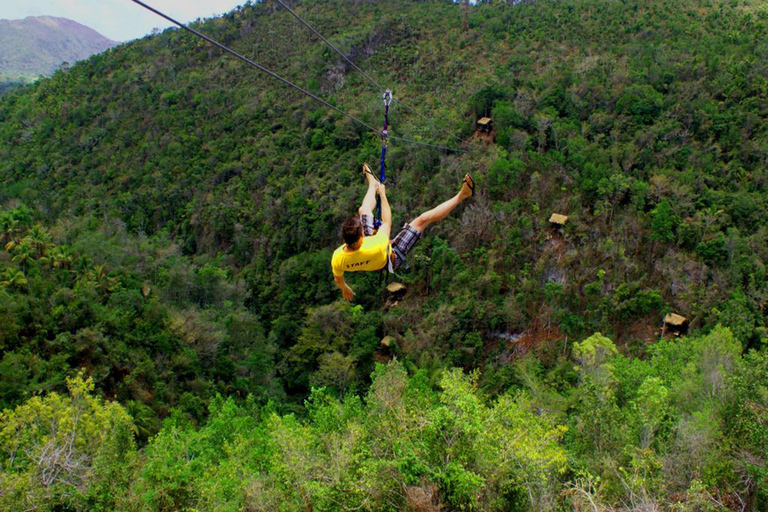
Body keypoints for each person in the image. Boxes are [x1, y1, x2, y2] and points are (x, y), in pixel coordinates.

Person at [331, 164, 475, 301]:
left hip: (374, 253)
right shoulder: (376, 244)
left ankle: (373, 184)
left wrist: (344, 288)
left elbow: (338, 279)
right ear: (362, 235)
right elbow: (387, 221)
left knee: (363, 210)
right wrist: (382, 195)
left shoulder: (338, 258)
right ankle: (463, 194)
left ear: (345, 239)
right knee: (423, 220)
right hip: (391, 256)